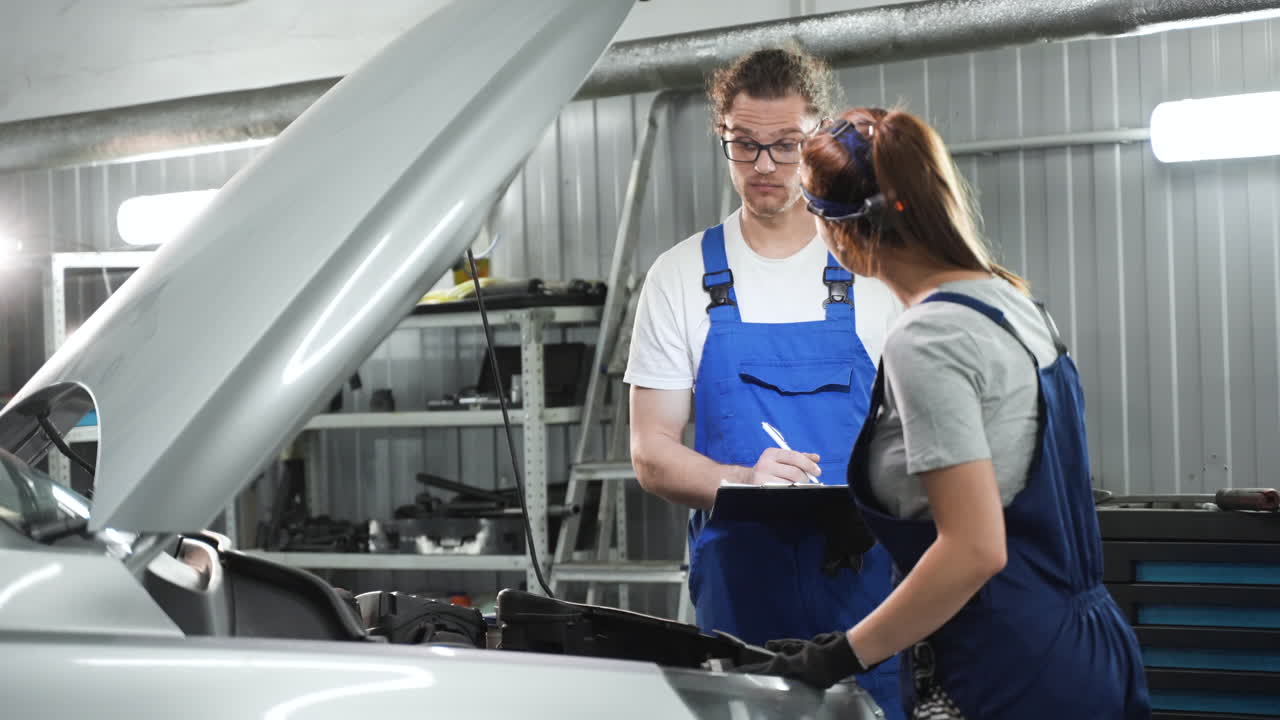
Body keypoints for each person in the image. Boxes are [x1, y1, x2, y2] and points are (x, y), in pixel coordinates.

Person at [737, 106, 1152, 719]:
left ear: (845, 228)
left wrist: (842, 655)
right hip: (1090, 648)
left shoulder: (927, 339)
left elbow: (975, 549)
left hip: (1006, 663)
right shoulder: (1010, 302)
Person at [625, 48, 904, 717]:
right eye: (743, 146)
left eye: (786, 146)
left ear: (818, 141)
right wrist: (743, 481)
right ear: (722, 137)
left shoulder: (873, 269)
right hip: (739, 593)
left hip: (867, 591)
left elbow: (924, 433)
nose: (764, 168)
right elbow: (651, 451)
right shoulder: (680, 276)